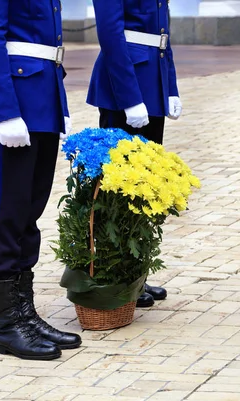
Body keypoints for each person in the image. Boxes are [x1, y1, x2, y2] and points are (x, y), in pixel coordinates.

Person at [0, 0, 81, 360]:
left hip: (43, 96)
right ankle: (6, 325)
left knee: (30, 209)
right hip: (16, 99)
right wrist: (5, 112)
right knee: (8, 210)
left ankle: (25, 315)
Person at [87, 0, 182, 308]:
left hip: (152, 81)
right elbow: (110, 34)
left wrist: (171, 87)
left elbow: (162, 34)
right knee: (117, 187)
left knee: (145, 185)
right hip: (125, 85)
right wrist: (129, 96)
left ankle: (135, 271)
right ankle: (113, 273)